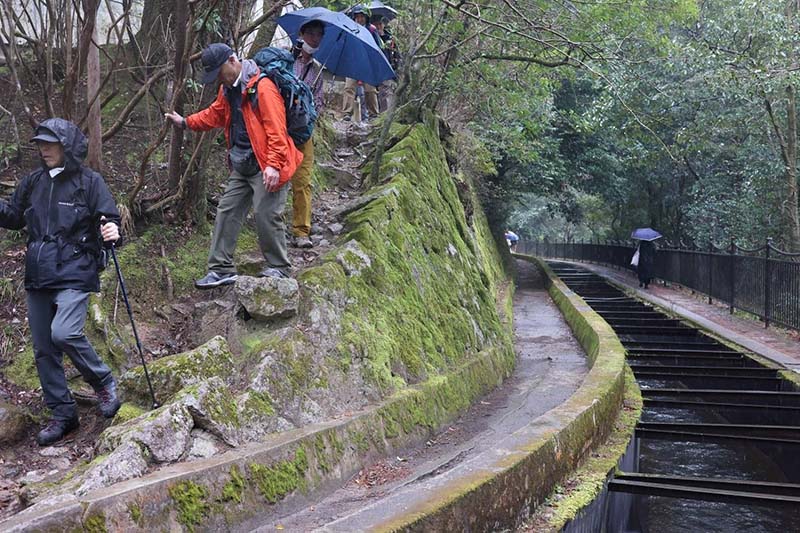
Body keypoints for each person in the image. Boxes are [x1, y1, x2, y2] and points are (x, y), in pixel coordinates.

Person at [0, 118, 122, 446]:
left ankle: (103, 382)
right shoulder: (34, 182)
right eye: (40, 143)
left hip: (75, 270)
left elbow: (109, 218)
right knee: (43, 349)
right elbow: (13, 216)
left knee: (64, 332)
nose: (43, 149)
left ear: (66, 146)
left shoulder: (89, 182)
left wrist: (112, 229)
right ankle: (63, 414)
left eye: (49, 143)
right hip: (39, 273)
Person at [165, 43, 303, 288]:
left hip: (267, 164)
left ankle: (279, 267)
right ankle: (221, 269)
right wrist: (186, 122)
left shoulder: (263, 87)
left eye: (219, 73)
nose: (219, 79)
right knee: (227, 211)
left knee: (266, 214)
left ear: (232, 61)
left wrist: (273, 165)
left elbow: (277, 131)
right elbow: (215, 114)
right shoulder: (228, 90)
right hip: (243, 163)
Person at [290, 20, 325, 249]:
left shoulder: (318, 70)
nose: (314, 38)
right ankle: (270, 226)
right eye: (311, 33)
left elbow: (319, 103)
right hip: (279, 129)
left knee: (303, 180)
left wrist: (307, 111)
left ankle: (301, 230)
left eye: (319, 35)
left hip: (304, 132)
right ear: (301, 34)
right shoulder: (286, 61)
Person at [341, 5, 380, 121]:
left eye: (362, 16)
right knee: (349, 87)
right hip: (352, 62)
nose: (360, 19)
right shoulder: (349, 29)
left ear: (366, 17)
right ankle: (347, 113)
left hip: (368, 63)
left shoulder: (371, 30)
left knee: (370, 90)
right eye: (357, 17)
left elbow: (378, 47)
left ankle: (374, 114)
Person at [372, 15, 399, 113]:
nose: (378, 26)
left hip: (387, 68)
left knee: (386, 91)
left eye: (380, 24)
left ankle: (385, 114)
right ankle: (376, 114)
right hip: (374, 68)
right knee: (373, 92)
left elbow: (396, 53)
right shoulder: (371, 37)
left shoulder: (390, 37)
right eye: (376, 24)